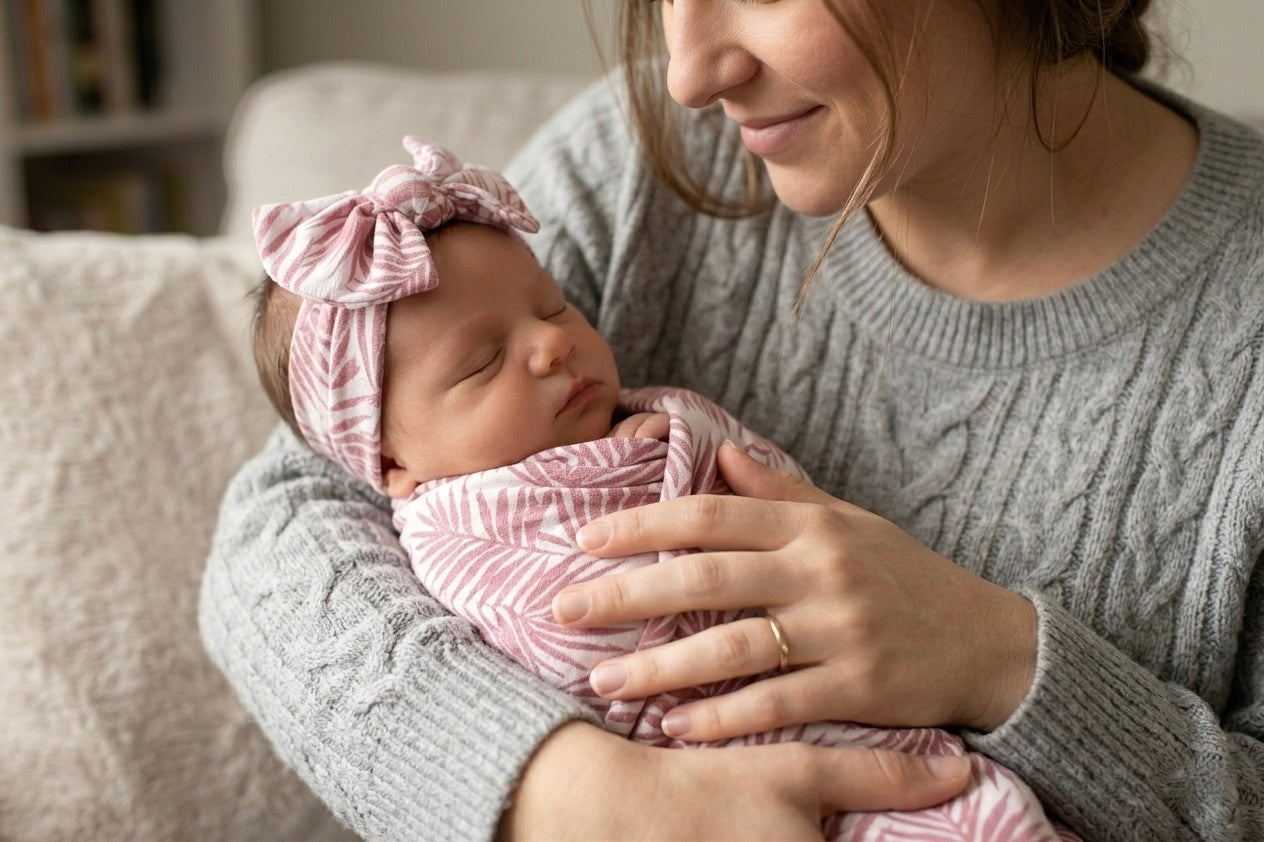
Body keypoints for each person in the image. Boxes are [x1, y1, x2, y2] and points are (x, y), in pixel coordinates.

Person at [199, 1, 1264, 840]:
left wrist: (1000, 657)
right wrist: (570, 793)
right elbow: (284, 523)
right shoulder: (653, 160)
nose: (689, 70)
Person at [248, 138, 1076, 841]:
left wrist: (679, 446)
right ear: (395, 468)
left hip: (843, 711)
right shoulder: (447, 527)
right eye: (481, 363)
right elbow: (565, 637)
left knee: (977, 811)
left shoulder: (661, 415)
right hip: (682, 761)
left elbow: (796, 508)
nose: (549, 348)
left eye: (556, 306)